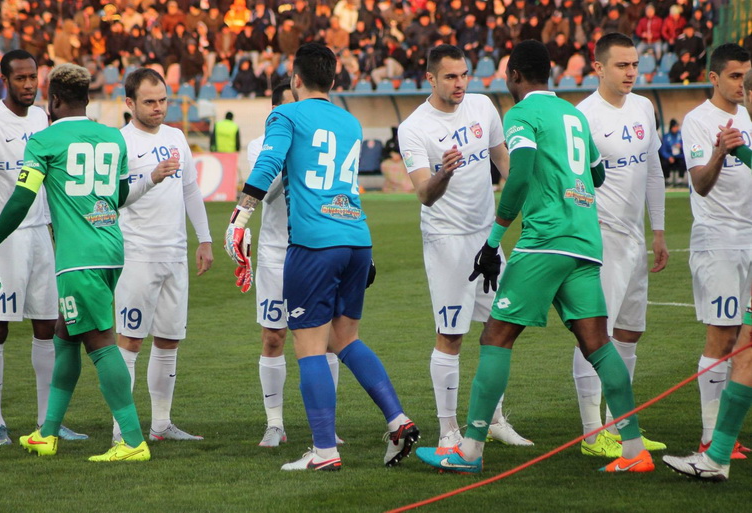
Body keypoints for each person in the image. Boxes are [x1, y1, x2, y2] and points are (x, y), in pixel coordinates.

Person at [415, 39, 654, 474]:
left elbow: (520, 171)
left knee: (495, 337)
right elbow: (597, 173)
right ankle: (634, 448)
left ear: (514, 76)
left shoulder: (521, 113)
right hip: (586, 241)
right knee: (599, 344)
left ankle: (469, 450)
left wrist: (492, 242)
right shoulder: (574, 115)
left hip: (545, 242)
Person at [224, 42, 418, 471]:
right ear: (333, 80)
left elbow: (269, 161)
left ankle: (325, 451)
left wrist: (239, 216)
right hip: (356, 238)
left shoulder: (286, 113)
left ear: (294, 80)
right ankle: (398, 419)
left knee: (309, 346)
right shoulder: (349, 121)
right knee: (344, 340)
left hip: (314, 243)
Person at [0, 63, 177, 461]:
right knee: (64, 334)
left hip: (77, 258)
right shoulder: (112, 138)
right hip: (111, 249)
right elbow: (120, 197)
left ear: (53, 101)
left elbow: (22, 199)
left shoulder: (44, 140)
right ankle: (47, 432)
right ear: (87, 99)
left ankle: (133, 441)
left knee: (101, 343)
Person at [397, 44, 529, 448]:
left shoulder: (483, 107)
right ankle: (448, 429)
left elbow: (503, 159)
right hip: (448, 242)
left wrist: (527, 189)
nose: (459, 83)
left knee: (500, 329)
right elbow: (424, 194)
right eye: (450, 77)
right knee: (450, 335)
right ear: (431, 78)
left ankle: (493, 418)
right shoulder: (414, 127)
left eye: (464, 75)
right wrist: (444, 173)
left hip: (486, 238)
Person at [0, 50, 85, 446]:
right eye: (20, 78)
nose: (28, 84)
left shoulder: (45, 118)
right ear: (4, 80)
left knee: (49, 325)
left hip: (41, 232)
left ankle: (48, 422)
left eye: (33, 77)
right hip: (1, 236)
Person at [573, 33, 668, 459]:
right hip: (601, 239)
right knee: (596, 335)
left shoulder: (645, 107)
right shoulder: (583, 117)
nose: (631, 72)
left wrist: (659, 231)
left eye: (634, 65)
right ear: (598, 68)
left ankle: (621, 424)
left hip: (634, 238)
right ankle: (594, 433)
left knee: (630, 331)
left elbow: (653, 172)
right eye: (621, 66)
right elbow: (571, 186)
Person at [110, 68, 213, 444]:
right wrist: (150, 178)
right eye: (149, 102)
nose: (158, 108)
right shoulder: (119, 142)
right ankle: (121, 431)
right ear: (129, 103)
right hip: (137, 255)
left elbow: (190, 190)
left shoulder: (176, 136)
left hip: (175, 254)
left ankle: (161, 426)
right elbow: (115, 197)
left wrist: (204, 239)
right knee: (130, 341)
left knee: (169, 339)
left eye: (163, 100)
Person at [662, 69, 752, 481]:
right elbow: (700, 183)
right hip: (720, 241)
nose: (743, 94)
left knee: (745, 347)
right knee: (737, 343)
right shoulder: (700, 119)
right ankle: (713, 445)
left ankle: (714, 452)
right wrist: (725, 152)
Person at [246, 81, 344, 447]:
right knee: (274, 337)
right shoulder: (260, 146)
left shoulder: (321, 139)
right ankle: (275, 424)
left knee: (329, 340)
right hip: (276, 253)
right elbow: (265, 192)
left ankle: (327, 426)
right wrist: (288, 158)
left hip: (318, 249)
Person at [659, 119, 686, 186]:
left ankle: (680, 180)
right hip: (670, 156)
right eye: (674, 127)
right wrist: (668, 157)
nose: (676, 128)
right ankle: (667, 179)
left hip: (679, 156)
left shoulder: (681, 135)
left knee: (683, 162)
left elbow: (686, 147)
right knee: (664, 163)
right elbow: (663, 150)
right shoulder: (666, 136)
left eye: (677, 126)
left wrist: (681, 146)